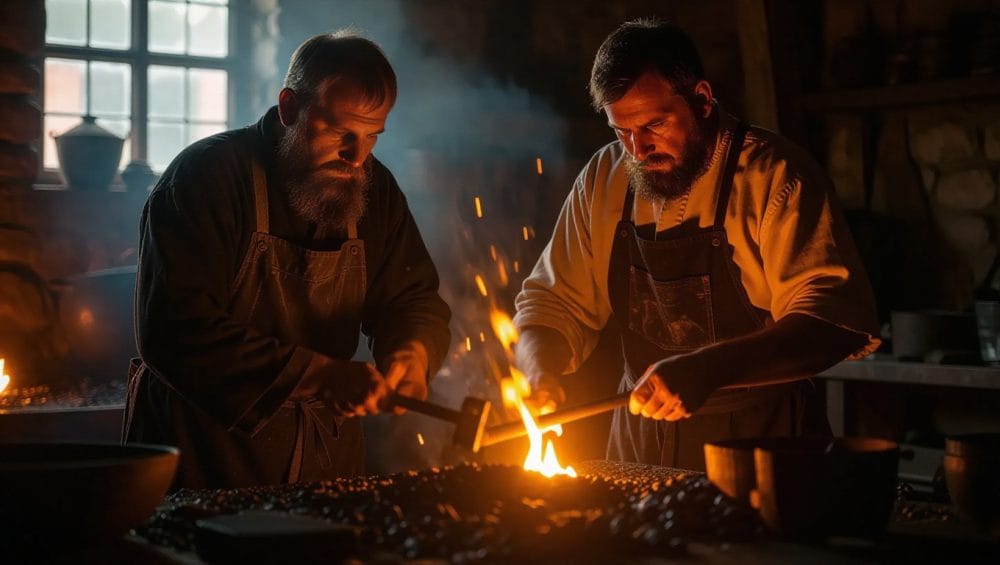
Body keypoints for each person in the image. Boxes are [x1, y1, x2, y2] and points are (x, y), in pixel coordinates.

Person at [513, 19, 880, 470]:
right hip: (639, 448)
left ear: (702, 100)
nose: (638, 149)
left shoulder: (776, 178)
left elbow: (830, 323)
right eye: (620, 131)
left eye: (654, 125)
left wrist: (708, 368)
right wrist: (539, 373)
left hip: (761, 444)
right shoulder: (603, 179)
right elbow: (550, 305)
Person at [123, 31, 451, 489]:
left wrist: (411, 356)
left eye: (371, 136)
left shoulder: (374, 191)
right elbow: (173, 328)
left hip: (323, 465)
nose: (356, 157)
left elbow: (412, 300)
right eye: (340, 132)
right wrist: (318, 375)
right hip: (201, 456)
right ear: (289, 108)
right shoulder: (206, 178)